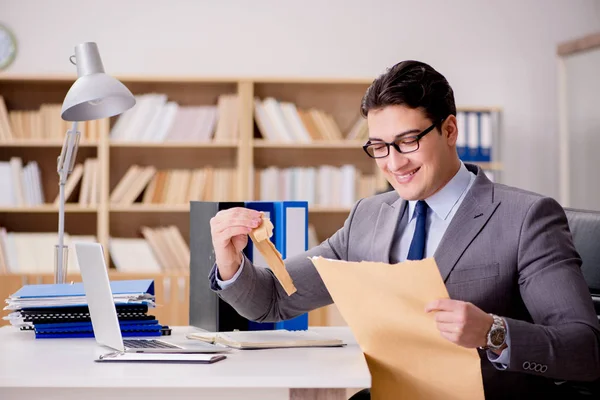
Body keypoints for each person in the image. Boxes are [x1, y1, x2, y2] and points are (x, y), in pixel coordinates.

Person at [208, 60, 600, 399]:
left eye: (407, 141)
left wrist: (492, 331)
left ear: (449, 130)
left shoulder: (526, 217)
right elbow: (273, 299)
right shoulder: (368, 216)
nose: (393, 163)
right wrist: (231, 262)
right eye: (378, 146)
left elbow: (585, 350)